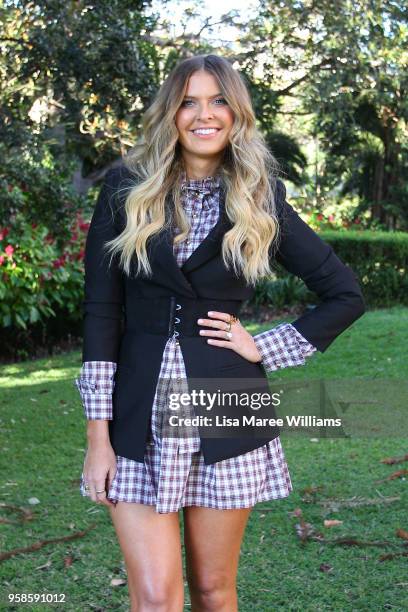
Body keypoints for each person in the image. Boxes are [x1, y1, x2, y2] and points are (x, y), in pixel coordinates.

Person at [74, 54, 365, 611]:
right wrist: (97, 439)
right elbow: (101, 315)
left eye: (218, 101)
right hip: (137, 415)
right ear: (170, 113)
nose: (203, 114)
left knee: (212, 590)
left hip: (227, 411)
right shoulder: (124, 189)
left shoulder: (260, 196)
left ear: (236, 113)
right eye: (188, 101)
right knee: (157, 598)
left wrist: (264, 345)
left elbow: (343, 294)